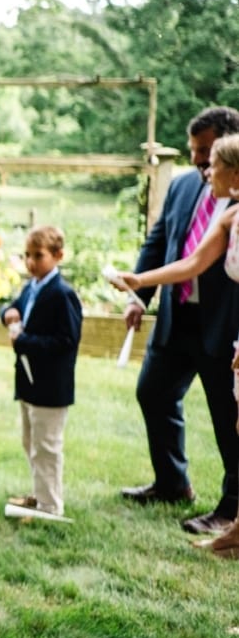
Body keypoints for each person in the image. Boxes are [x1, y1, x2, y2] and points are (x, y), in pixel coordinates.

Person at [112, 132, 239, 554]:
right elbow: (191, 261)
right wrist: (138, 284)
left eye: (211, 160)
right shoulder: (222, 214)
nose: (204, 169)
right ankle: (179, 488)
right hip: (182, 317)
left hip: (228, 327)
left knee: (230, 419)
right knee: (155, 392)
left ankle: (232, 510)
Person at [1, 225, 83, 518]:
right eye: (27, 255)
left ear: (58, 255)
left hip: (51, 386)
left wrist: (24, 341)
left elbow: (67, 341)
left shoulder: (62, 294)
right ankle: (39, 494)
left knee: (46, 447)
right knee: (31, 442)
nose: (31, 262)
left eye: (39, 255)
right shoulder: (31, 287)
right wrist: (6, 314)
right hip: (28, 383)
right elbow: (15, 308)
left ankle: (51, 506)